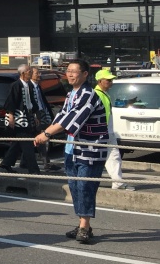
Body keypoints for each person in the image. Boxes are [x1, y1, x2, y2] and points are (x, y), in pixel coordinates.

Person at [33, 59, 109, 244]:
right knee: (75, 187)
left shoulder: (88, 94)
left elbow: (73, 118)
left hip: (90, 149)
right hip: (72, 148)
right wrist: (46, 131)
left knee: (85, 186)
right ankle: (83, 224)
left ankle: (84, 226)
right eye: (68, 70)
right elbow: (61, 116)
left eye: (75, 71)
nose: (70, 74)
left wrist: (47, 133)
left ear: (85, 74)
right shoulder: (71, 94)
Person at [92, 68, 134, 191]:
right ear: (100, 81)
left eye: (111, 80)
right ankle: (116, 182)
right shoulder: (98, 94)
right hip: (103, 133)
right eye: (108, 80)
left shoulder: (103, 94)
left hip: (106, 132)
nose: (111, 82)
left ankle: (117, 182)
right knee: (107, 158)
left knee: (112, 158)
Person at [0, 63, 41, 176]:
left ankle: (6, 162)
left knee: (19, 142)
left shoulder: (30, 85)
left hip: (29, 116)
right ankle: (34, 169)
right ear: (23, 73)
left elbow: (33, 102)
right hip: (19, 118)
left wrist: (36, 115)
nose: (31, 73)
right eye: (29, 72)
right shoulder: (15, 85)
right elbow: (11, 101)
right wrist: (11, 116)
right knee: (27, 142)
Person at [30, 68, 61, 172]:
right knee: (39, 138)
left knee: (40, 137)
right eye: (36, 73)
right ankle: (45, 163)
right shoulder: (29, 86)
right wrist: (34, 114)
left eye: (39, 73)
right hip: (35, 115)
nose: (39, 75)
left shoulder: (37, 86)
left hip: (42, 113)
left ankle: (39, 162)